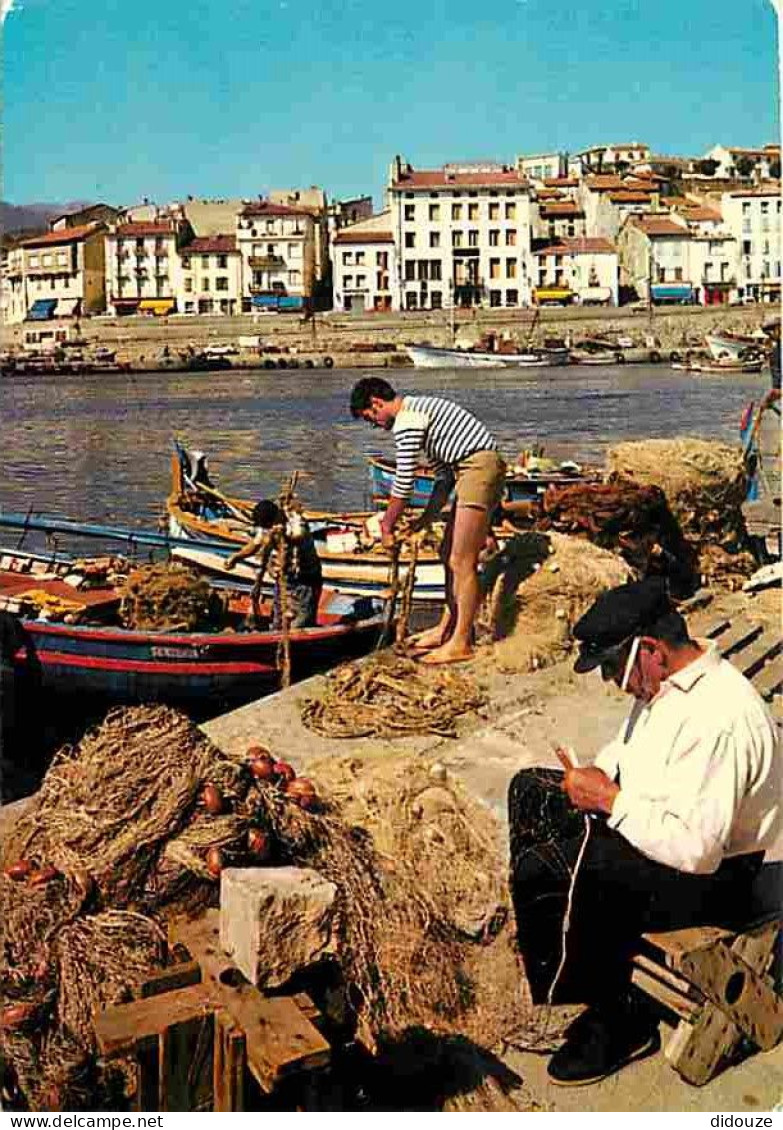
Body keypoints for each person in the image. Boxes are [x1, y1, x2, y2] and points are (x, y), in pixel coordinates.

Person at [507, 577, 781, 1086]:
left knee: (550, 869)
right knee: (531, 790)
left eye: (613, 667)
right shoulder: (668, 683)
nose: (612, 681)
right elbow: (629, 753)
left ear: (650, 650)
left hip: (711, 880)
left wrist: (610, 802)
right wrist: (599, 778)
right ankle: (569, 956)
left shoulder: (718, 718)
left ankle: (619, 1013)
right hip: (664, 835)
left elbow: (697, 851)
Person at [349, 376, 506, 665]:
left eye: (371, 418)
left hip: (479, 469)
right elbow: (444, 478)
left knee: (462, 562)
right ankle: (447, 629)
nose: (375, 424)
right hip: (467, 472)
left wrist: (386, 526)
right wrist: (426, 518)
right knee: (447, 554)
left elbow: (404, 481)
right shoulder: (421, 416)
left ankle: (461, 642)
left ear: (376, 403)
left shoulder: (408, 420)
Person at [225, 499, 322, 629]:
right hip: (284, 580)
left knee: (300, 624)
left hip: (305, 581)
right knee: (278, 622)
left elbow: (298, 536)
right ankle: (276, 640)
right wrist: (236, 557)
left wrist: (282, 534)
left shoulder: (295, 523)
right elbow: (256, 543)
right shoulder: (267, 527)